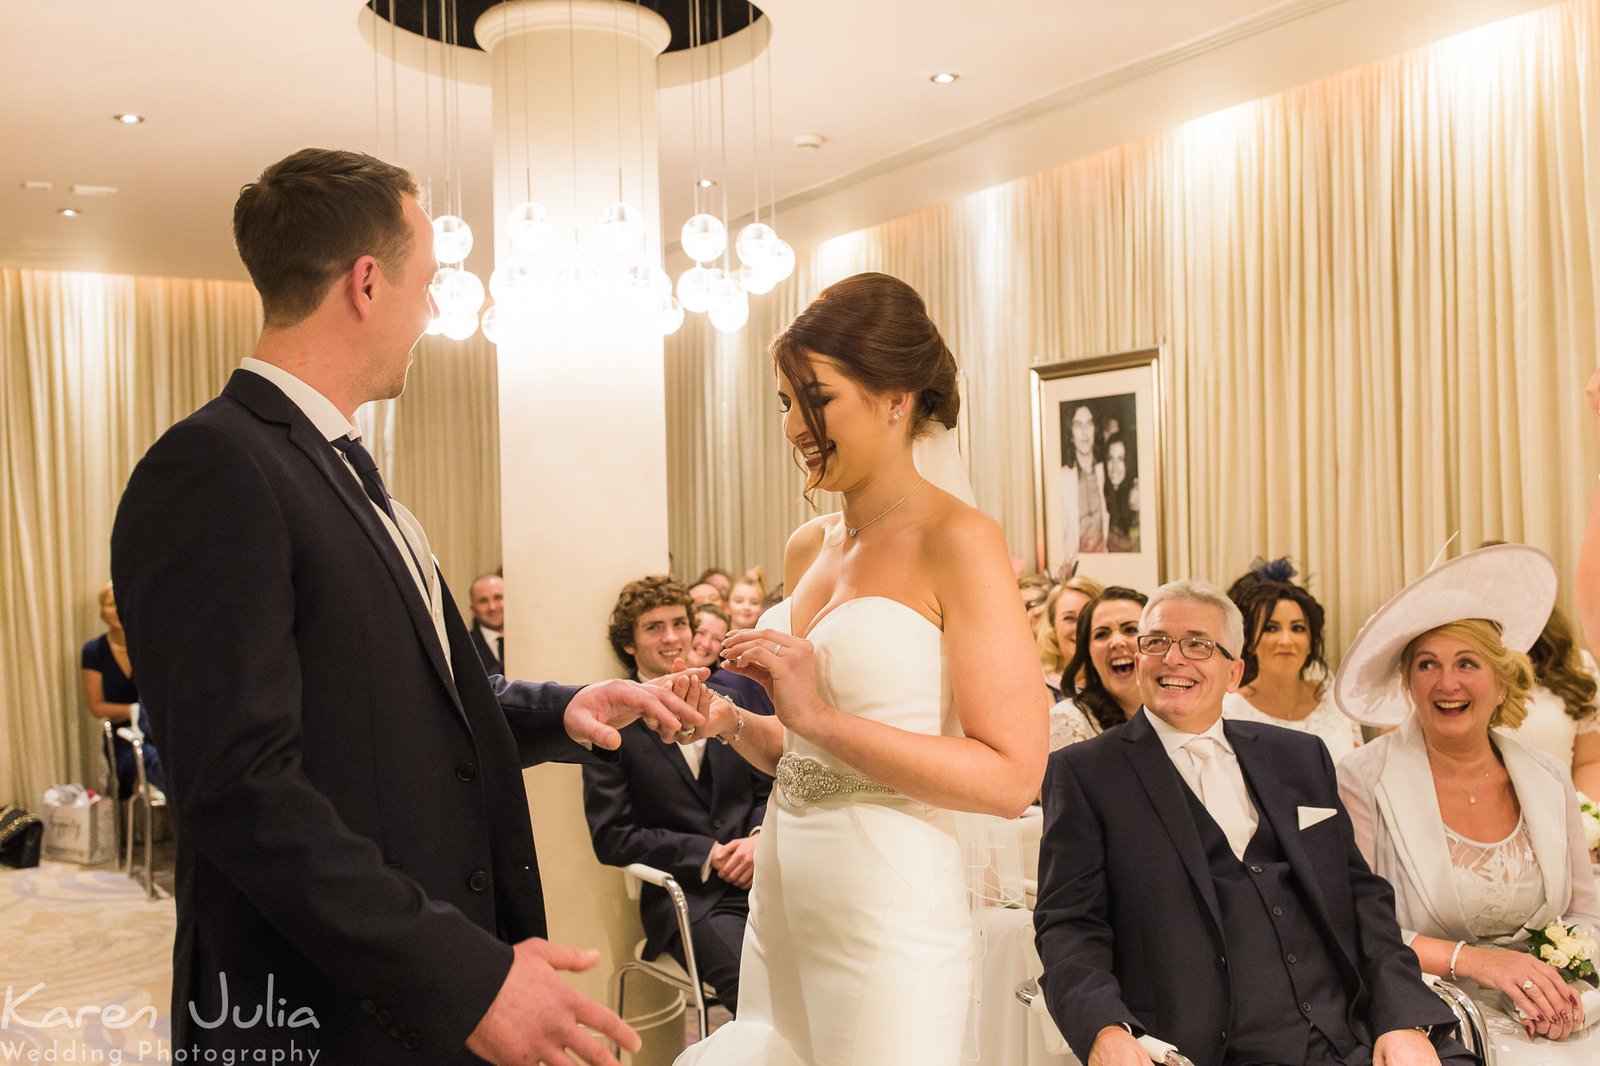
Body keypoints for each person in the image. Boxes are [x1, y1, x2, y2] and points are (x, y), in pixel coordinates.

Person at [109, 148, 710, 1066]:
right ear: (366, 282)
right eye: (428, 285)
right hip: (320, 1004)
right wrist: (460, 975)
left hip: (413, 989)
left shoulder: (348, 473)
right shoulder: (215, 470)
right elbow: (240, 790)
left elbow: (407, 704)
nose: (432, 313)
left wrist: (564, 709)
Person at [671, 272, 1048, 1066]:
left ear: (895, 398)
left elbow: (1012, 775)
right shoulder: (809, 547)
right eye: (784, 402)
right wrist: (734, 722)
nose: (794, 427)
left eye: (817, 397)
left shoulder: (960, 540)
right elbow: (812, 760)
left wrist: (817, 717)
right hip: (787, 884)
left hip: (890, 897)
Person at [1035, 579, 1472, 1066]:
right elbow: (1069, 926)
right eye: (1156, 642)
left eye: (1198, 644)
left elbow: (1360, 897)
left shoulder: (1300, 757)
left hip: (1352, 1033)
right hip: (1202, 1048)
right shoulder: (1085, 772)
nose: (1173, 658)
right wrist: (1104, 1029)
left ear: (1234, 673)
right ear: (1139, 659)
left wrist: (1403, 1020)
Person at [1336, 544, 1600, 1062]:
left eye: (1467, 663)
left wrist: (1564, 985)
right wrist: (1477, 963)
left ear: (1502, 682)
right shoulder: (1362, 778)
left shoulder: (1546, 775)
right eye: (1427, 665)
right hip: (1431, 1010)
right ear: (1409, 682)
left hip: (1557, 1010)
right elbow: (1355, 923)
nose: (1447, 683)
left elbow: (1584, 909)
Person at [582, 578, 773, 1016]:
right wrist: (709, 853)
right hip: (691, 900)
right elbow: (612, 835)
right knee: (757, 999)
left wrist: (760, 835)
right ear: (629, 644)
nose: (671, 637)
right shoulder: (609, 722)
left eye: (679, 623)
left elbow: (769, 783)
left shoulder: (731, 699)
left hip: (766, 879)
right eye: (654, 627)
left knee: (819, 977)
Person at [1223, 562, 1363, 762]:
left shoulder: (1337, 698)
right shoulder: (1229, 712)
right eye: (1271, 628)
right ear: (1250, 642)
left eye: (1297, 628)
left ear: (1310, 643)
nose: (1286, 641)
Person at [81, 582, 163, 796]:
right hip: (123, 738)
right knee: (147, 768)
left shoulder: (150, 649)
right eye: (111, 604)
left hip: (158, 731)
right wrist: (136, 711)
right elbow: (97, 707)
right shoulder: (94, 651)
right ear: (102, 612)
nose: (117, 609)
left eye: (122, 603)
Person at [1057, 586, 1147, 738]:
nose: (1117, 642)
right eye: (1102, 634)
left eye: (1130, 629)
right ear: (1088, 653)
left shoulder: (1179, 713)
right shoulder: (1068, 723)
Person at [1036, 574, 1105, 696]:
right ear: (1052, 626)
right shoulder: (1036, 686)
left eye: (1088, 616)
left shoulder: (1118, 686)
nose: (1080, 627)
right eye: (1069, 618)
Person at [1058, 403, 1107, 557]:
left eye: (1089, 424)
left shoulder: (1106, 473)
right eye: (1078, 425)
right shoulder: (1061, 478)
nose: (1085, 432)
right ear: (1071, 435)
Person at [1103, 432, 1139, 552]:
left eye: (1120, 459)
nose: (1114, 467)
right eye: (1110, 458)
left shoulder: (1136, 498)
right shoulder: (1104, 493)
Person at [468, 572, 505, 675]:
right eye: (483, 601)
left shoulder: (530, 640)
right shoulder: (465, 645)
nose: (492, 607)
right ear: (473, 609)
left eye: (498, 598)